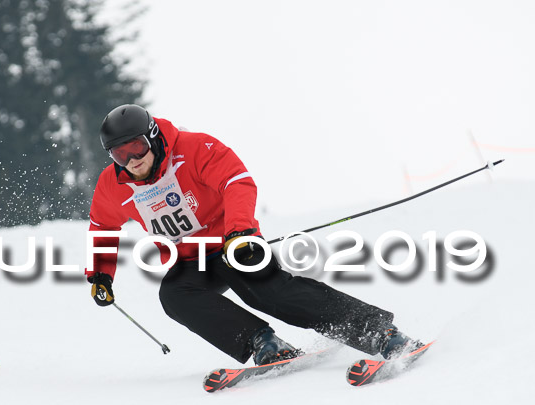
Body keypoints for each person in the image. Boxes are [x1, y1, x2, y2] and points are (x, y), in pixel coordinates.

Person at [85, 104, 420, 365]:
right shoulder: (113, 186)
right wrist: (100, 273)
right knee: (175, 297)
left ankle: (377, 332)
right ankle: (263, 343)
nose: (132, 160)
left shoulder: (193, 148)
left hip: (233, 243)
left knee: (265, 291)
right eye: (120, 154)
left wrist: (241, 231)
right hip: (189, 259)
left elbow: (236, 181)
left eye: (137, 148)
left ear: (154, 136)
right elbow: (102, 226)